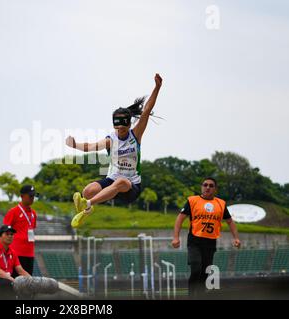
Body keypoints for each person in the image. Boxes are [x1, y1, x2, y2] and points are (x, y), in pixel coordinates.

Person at [66, 73, 163, 228]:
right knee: (88, 190)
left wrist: (157, 88)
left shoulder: (135, 135)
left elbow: (146, 111)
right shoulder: (111, 139)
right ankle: (87, 208)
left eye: (123, 125)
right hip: (112, 180)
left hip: (131, 186)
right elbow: (90, 147)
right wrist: (75, 144)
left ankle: (87, 204)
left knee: (120, 181)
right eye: (117, 125)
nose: (120, 128)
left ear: (129, 124)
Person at [172, 177, 241, 298]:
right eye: (205, 185)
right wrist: (176, 237)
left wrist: (236, 238)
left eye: (211, 185)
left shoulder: (221, 203)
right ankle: (191, 296)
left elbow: (230, 221)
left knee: (205, 273)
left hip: (210, 242)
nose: (207, 187)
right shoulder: (192, 201)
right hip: (194, 241)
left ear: (215, 189)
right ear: (201, 187)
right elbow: (180, 218)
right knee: (196, 268)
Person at [0, 225, 31, 298]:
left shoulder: (13, 252)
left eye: (11, 234)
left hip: (5, 281)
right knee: (9, 284)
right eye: (7, 234)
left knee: (25, 286)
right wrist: (14, 281)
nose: (10, 236)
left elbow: (21, 271)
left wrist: (32, 281)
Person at [3, 185, 37, 276]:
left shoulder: (33, 213)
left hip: (30, 253)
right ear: (22, 196)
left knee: (27, 284)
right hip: (16, 253)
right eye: (30, 196)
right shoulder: (13, 211)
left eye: (33, 196)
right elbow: (4, 232)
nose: (32, 198)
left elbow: (31, 229)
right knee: (15, 282)